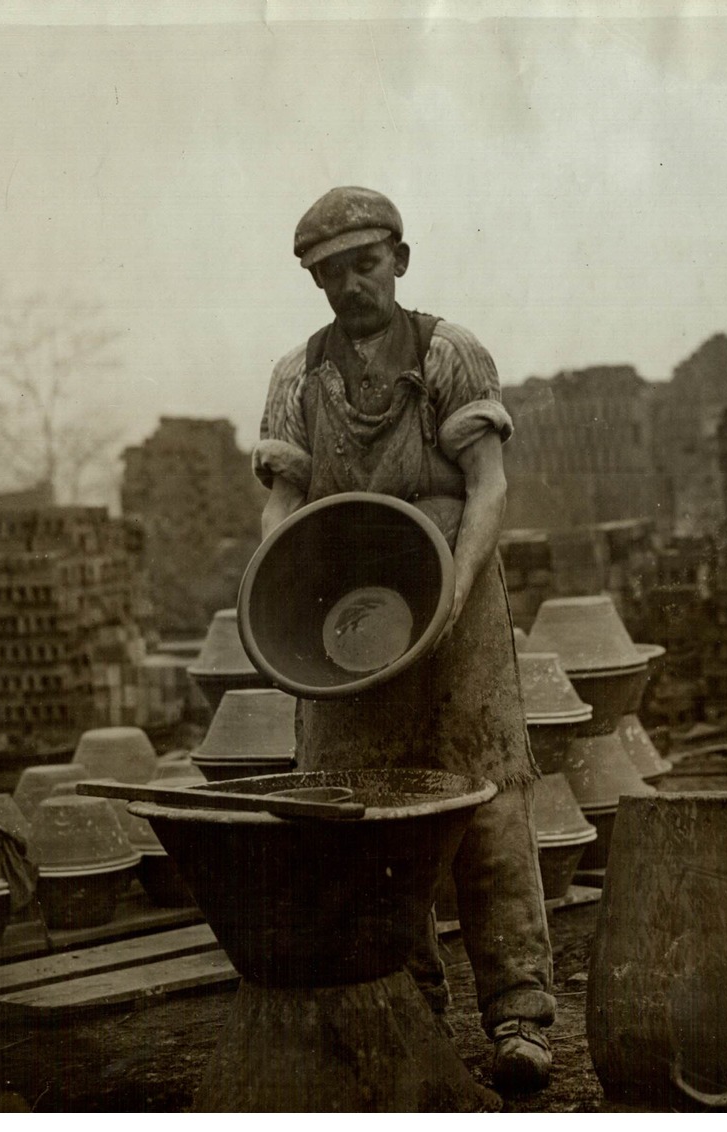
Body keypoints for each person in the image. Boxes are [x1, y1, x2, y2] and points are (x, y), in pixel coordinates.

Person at [251, 186, 556, 1095]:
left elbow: (489, 483)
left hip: (451, 588)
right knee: (360, 807)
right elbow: (284, 500)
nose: (351, 286)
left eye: (365, 264)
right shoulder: (296, 377)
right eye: (329, 274)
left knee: (488, 792)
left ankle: (521, 1017)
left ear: (401, 259)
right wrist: (281, 588)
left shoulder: (451, 352)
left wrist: (457, 594)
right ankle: (408, 1009)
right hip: (349, 611)